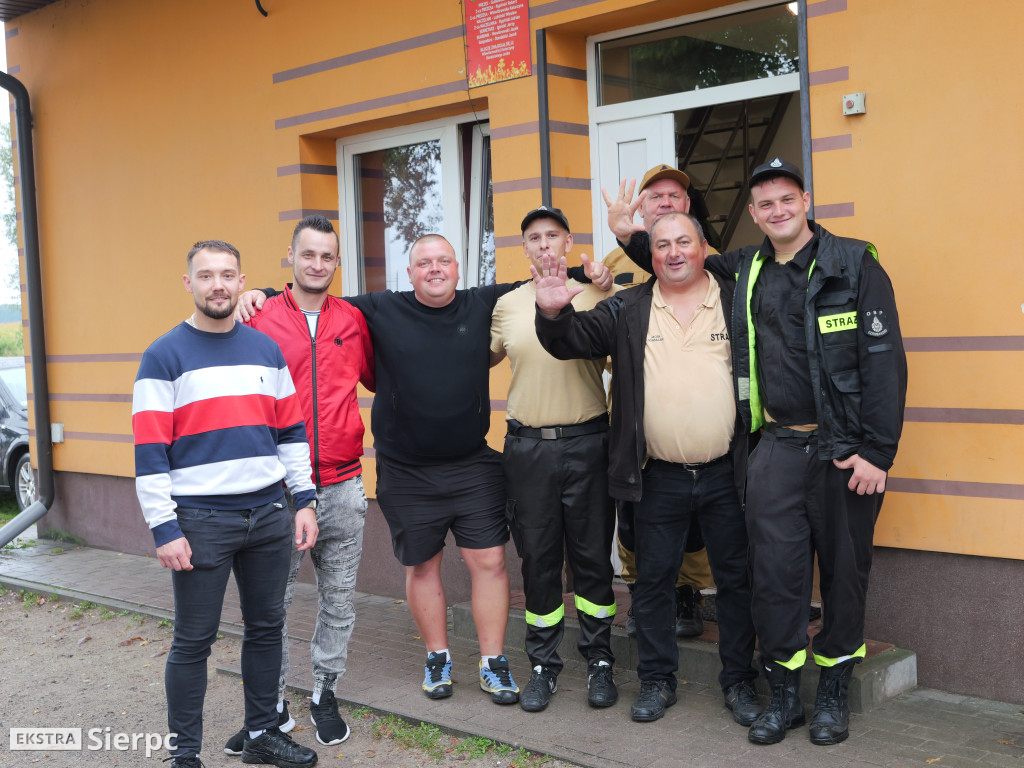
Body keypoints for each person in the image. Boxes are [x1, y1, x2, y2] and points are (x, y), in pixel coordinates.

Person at [237, 234, 613, 707]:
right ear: (409, 273)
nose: (435, 269)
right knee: (422, 565)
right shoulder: (378, 308)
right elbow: (316, 296)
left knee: (491, 561)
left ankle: (493, 662)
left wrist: (592, 275)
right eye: (423, 263)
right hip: (406, 470)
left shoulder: (482, 303)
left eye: (444, 261)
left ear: (458, 269)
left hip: (472, 465)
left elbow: (536, 283)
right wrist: (266, 294)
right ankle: (438, 657)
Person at [615, 157, 908, 746]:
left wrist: (878, 451)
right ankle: (782, 698)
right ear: (752, 214)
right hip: (773, 449)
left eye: (787, 199)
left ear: (806, 200)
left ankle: (831, 697)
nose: (777, 211)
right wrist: (630, 235)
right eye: (765, 204)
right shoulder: (744, 268)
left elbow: (885, 365)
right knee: (774, 578)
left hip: (845, 454)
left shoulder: (856, 265)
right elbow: (681, 255)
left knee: (845, 578)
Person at [532, 212, 760, 726]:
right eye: (662, 244)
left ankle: (741, 682)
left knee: (737, 581)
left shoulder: (733, 298)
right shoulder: (630, 307)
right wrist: (553, 314)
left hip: (730, 472)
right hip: (658, 475)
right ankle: (657, 681)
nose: (673, 252)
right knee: (653, 583)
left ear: (704, 249)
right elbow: (574, 340)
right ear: (649, 253)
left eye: (684, 242)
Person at [132, 240, 319, 768]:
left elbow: (291, 434)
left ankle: (262, 733)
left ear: (242, 283)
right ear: (188, 283)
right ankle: (184, 754)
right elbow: (149, 451)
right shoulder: (163, 355)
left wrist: (303, 501)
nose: (218, 284)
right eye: (207, 275)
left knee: (266, 630)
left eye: (228, 275)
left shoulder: (265, 351)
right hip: (199, 520)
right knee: (193, 641)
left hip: (268, 515)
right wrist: (163, 528)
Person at [221, 215, 375, 755]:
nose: (317, 264)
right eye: (307, 254)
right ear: (290, 256)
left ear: (338, 261)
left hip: (343, 487)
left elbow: (385, 378)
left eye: (327, 256)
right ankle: (273, 709)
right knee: (271, 606)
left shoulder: (353, 320)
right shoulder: (257, 317)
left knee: (338, 602)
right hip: (277, 493)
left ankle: (325, 693)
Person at [489, 206, 618, 713]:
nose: (544, 245)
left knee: (591, 558)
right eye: (534, 238)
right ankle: (543, 665)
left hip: (589, 442)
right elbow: (469, 360)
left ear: (568, 243)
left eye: (553, 236)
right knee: (538, 559)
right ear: (524, 249)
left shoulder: (600, 295)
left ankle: (600, 661)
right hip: (528, 450)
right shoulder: (505, 306)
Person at [602, 164, 719, 640]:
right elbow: (594, 325)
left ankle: (688, 593)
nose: (666, 202)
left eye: (675, 196)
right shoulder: (611, 264)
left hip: (695, 414)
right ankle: (644, 595)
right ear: (641, 209)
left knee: (692, 519)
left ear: (687, 207)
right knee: (633, 511)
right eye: (656, 197)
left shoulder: (708, 261)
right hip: (633, 413)